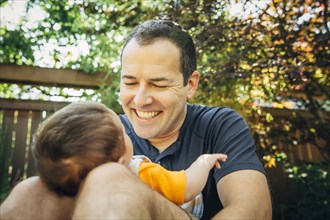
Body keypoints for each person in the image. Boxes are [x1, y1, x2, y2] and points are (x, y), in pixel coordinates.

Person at [0, 19, 272, 219]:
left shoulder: (219, 124)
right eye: (130, 83)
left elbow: (254, 211)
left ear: (190, 84)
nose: (140, 100)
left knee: (109, 177)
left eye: (158, 84)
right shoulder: (104, 133)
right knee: (30, 191)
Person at [31, 101, 227, 219]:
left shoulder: (74, 190)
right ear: (122, 157)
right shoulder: (138, 170)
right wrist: (204, 161)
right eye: (124, 132)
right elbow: (187, 187)